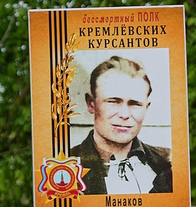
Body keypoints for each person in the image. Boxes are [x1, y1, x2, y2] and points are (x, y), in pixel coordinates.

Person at [69, 56, 176, 195]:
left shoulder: (168, 162)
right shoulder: (67, 164)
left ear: (146, 108)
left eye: (135, 104)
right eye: (113, 102)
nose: (124, 114)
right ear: (91, 104)